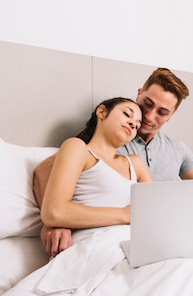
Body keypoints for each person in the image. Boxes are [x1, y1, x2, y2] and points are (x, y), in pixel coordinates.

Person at [36, 68, 193, 256]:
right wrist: (54, 222)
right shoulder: (109, 139)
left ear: (172, 114)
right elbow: (45, 171)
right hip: (118, 238)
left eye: (162, 112)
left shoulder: (176, 148)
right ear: (139, 93)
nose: (149, 117)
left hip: (163, 229)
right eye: (146, 104)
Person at [40, 97, 151, 242]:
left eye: (137, 125)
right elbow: (54, 212)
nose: (132, 124)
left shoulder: (136, 164)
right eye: (126, 114)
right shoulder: (78, 148)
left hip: (138, 244)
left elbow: (152, 214)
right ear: (102, 112)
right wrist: (124, 214)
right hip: (96, 244)